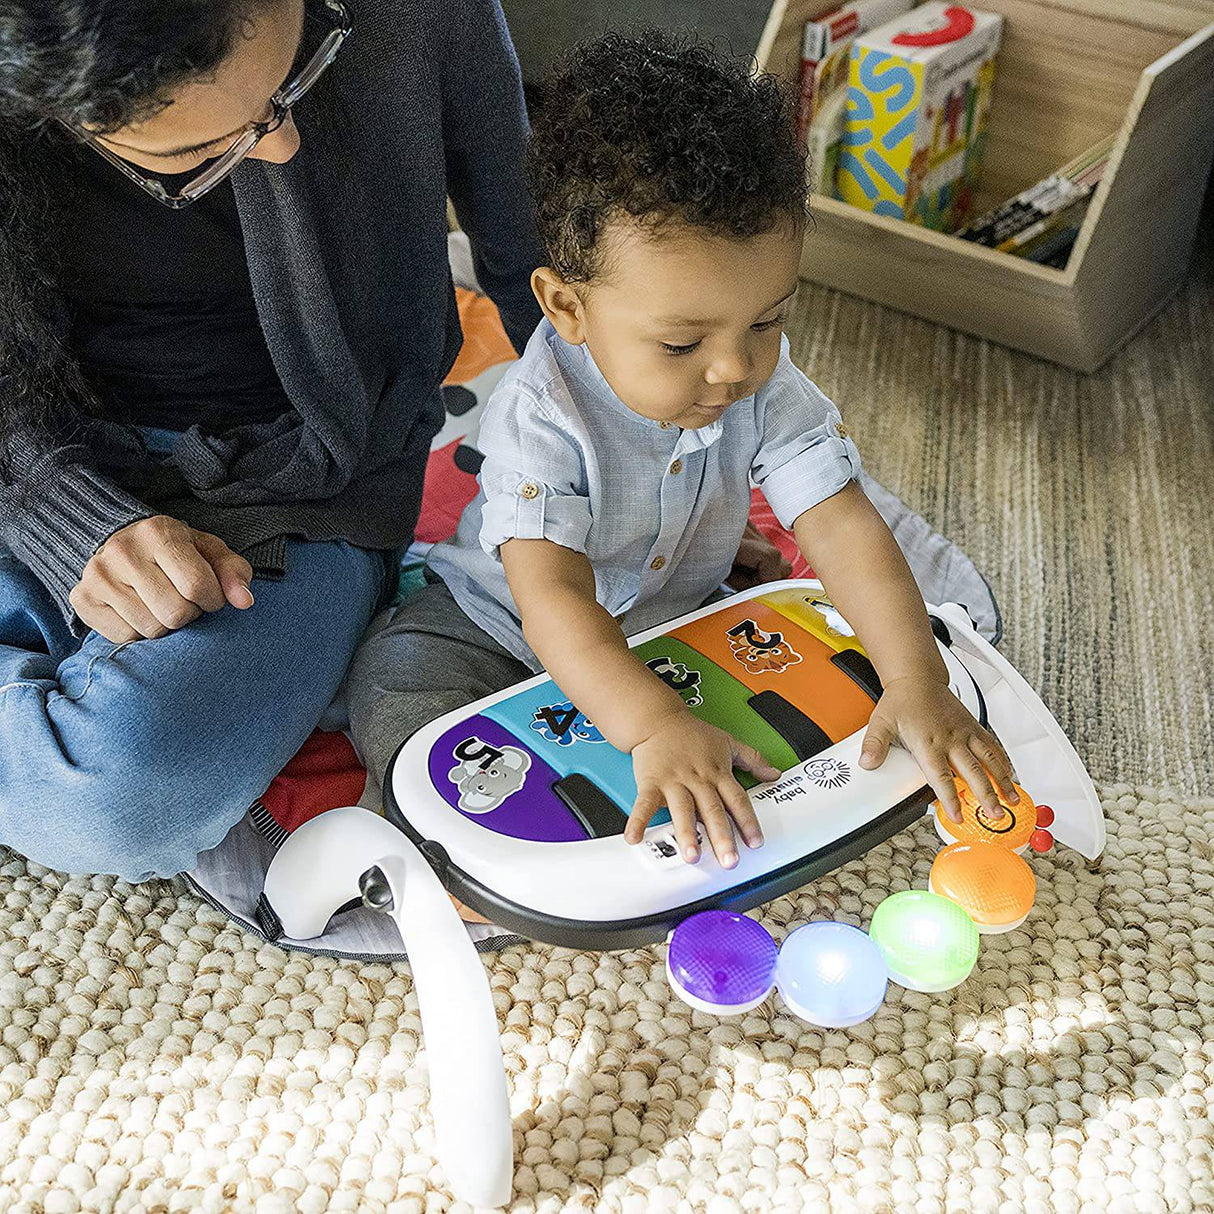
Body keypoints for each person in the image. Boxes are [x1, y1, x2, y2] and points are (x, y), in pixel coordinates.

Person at [347, 32, 1017, 871]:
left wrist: (919, 678)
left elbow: (844, 526)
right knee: (393, 691)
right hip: (498, 627)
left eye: (767, 321)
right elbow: (550, 596)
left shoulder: (757, 384)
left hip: (675, 626)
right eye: (680, 343)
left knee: (792, 711)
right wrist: (652, 724)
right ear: (566, 307)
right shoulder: (539, 414)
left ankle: (669, 782)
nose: (734, 368)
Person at [0, 0, 547, 882]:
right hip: (33, 442)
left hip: (310, 474)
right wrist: (63, 516)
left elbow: (540, 261)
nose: (287, 150)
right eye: (190, 158)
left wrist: (650, 458)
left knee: (113, 799)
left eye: (306, 71)